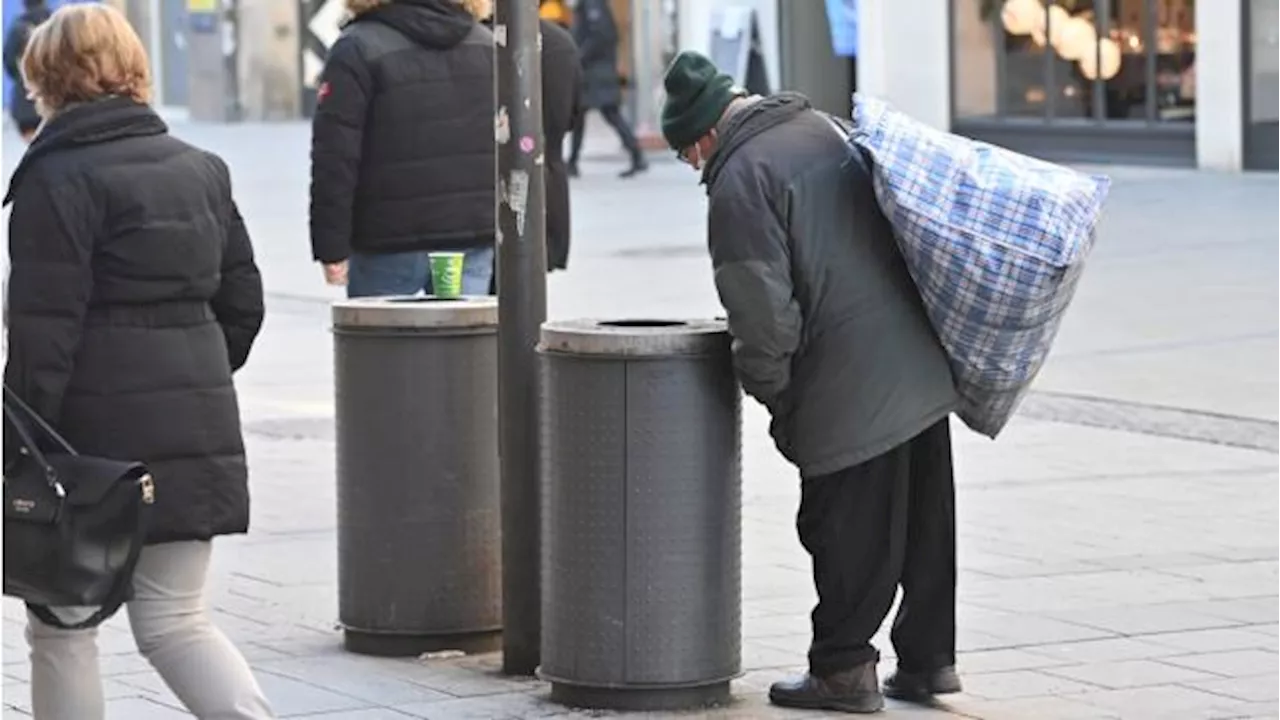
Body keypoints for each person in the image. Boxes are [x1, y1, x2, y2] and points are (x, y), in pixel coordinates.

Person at [660, 51, 963, 714]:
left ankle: (842, 670)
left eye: (686, 154)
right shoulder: (820, 128)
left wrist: (778, 395)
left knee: (844, 524)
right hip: (916, 354)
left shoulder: (740, 177)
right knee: (922, 520)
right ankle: (928, 661)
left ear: (706, 133)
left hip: (848, 378)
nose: (692, 167)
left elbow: (762, 313)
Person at [2, 5, 273, 719]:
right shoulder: (202, 169)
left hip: (87, 453)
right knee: (177, 621)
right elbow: (244, 307)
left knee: (63, 628)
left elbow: (41, 336)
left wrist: (18, 446)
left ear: (45, 77)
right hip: (194, 431)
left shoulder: (54, 179)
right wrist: (195, 380)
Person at [310, 0, 495, 297]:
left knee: (385, 340)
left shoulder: (357, 47)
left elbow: (335, 156)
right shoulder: (486, 44)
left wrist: (331, 246)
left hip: (386, 239)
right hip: (469, 234)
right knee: (464, 339)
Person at [567, 0, 647, 179]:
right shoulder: (590, 4)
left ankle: (637, 155)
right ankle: (573, 162)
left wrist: (580, 56)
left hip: (596, 71)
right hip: (595, 69)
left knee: (609, 113)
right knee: (582, 114)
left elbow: (600, 36)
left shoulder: (592, 4)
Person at [539, 16, 582, 272]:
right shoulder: (560, 42)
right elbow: (573, 115)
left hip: (489, 191)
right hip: (549, 178)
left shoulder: (484, 39)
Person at [3, 0, 51, 142]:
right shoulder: (58, 24)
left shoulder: (17, 28)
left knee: (33, 147)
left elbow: (8, 61)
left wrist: (23, 78)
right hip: (57, 98)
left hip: (26, 101)